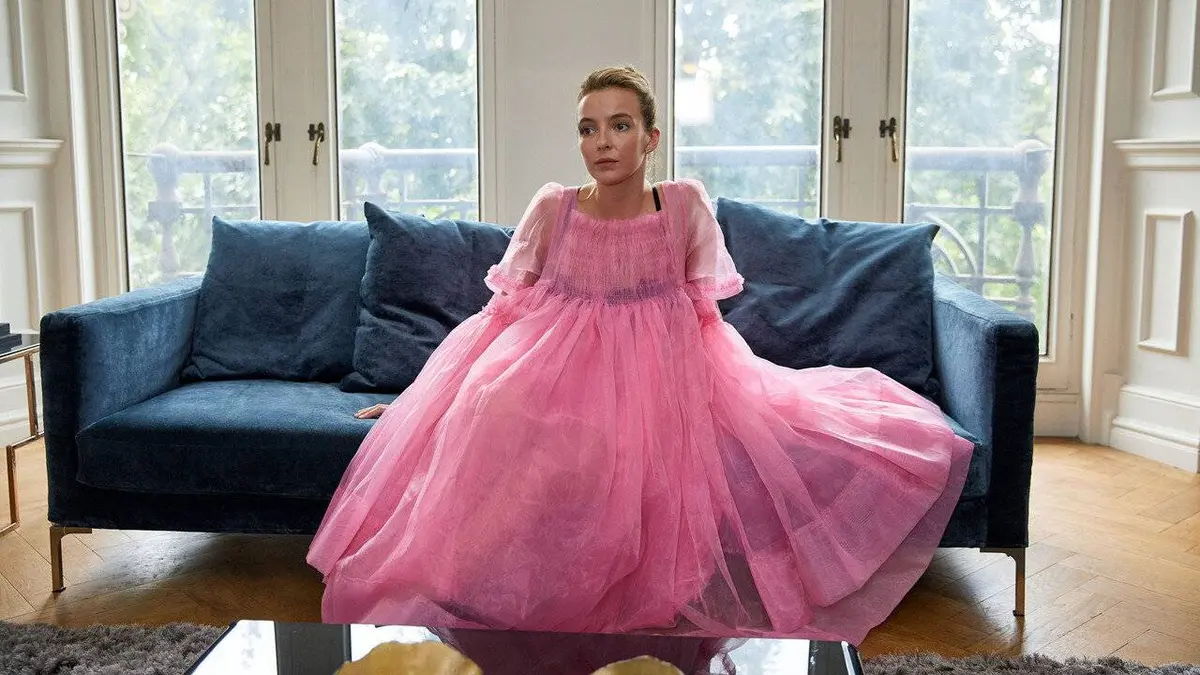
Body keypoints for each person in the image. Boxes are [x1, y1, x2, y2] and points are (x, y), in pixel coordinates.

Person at [307, 65, 973, 645]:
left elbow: (702, 315)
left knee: (653, 446)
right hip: (553, 365)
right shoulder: (555, 207)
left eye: (619, 126)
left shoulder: (682, 204)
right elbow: (503, 313)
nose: (602, 142)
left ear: (650, 138)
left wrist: (719, 390)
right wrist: (426, 397)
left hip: (663, 371)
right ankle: (495, 591)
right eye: (589, 128)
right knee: (497, 412)